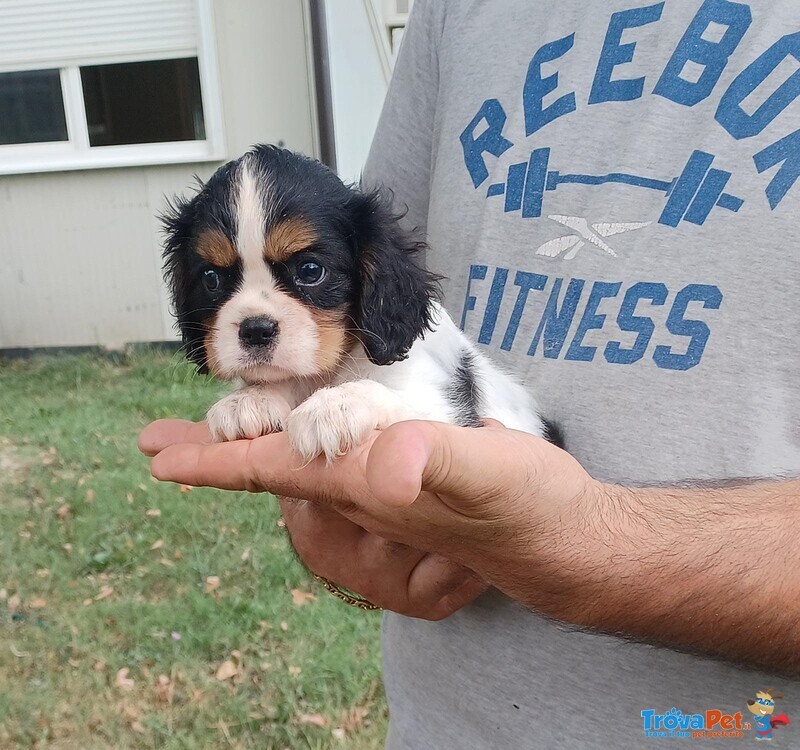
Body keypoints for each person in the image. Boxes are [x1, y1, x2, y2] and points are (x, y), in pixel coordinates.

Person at [140, 1, 800, 746]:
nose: (254, 312)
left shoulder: (398, 328)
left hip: (726, 724)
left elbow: (409, 393)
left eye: (309, 271)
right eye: (217, 282)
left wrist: (574, 545)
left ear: (365, 274)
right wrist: (319, 514)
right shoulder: (457, 12)